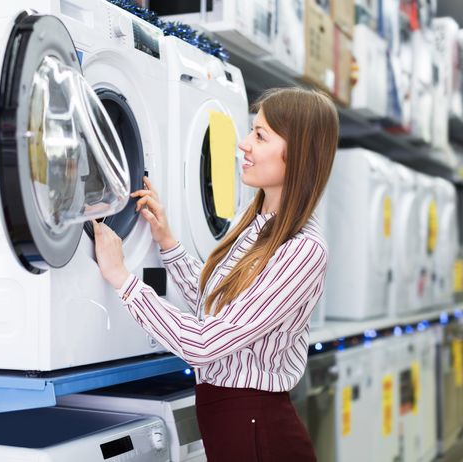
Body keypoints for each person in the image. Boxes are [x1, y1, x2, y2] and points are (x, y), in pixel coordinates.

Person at [92, 87, 338, 461]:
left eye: (260, 135)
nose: (243, 144)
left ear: (298, 153)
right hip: (233, 422)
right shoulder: (253, 221)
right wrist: (168, 242)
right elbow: (216, 305)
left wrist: (124, 281)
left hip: (258, 430)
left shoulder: (303, 250)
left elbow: (204, 344)